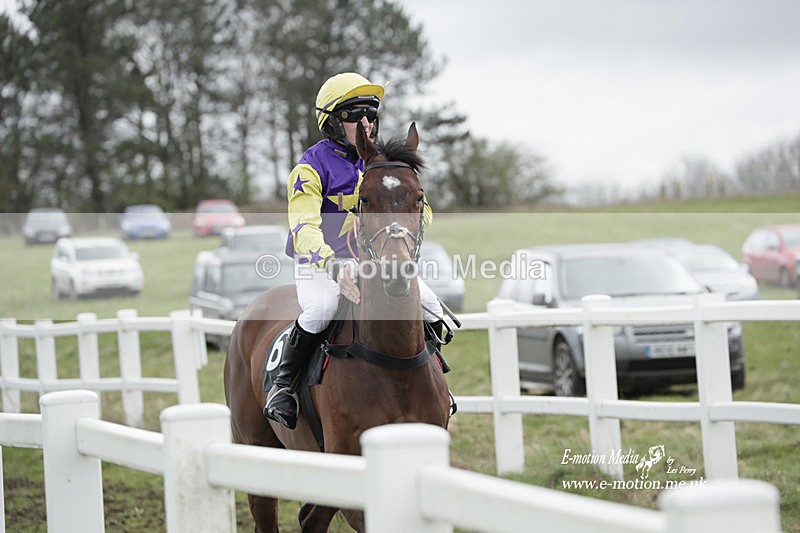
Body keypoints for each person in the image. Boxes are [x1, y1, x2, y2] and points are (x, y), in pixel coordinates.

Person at [264, 72, 445, 429]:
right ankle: (282, 386)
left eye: (371, 115)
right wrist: (333, 267)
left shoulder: (382, 163)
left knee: (431, 307)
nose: (365, 123)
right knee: (323, 307)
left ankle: (435, 386)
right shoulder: (310, 167)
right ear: (331, 121)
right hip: (321, 266)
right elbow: (303, 229)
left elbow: (420, 213)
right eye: (353, 115)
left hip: (376, 263)